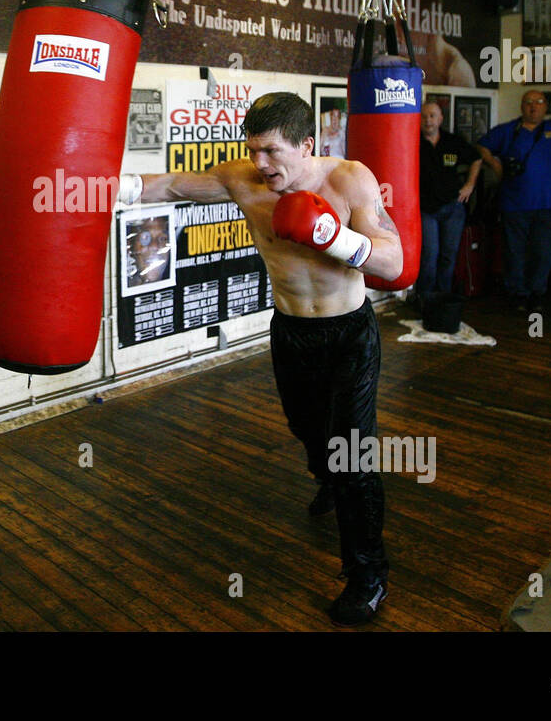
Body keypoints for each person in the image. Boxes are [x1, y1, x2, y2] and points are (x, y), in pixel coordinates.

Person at [122, 92, 403, 626]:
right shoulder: (244, 180)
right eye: (253, 150)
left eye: (272, 151)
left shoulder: (349, 179)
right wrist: (105, 186)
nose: (261, 164)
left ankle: (369, 576)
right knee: (305, 427)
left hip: (349, 336)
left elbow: (393, 260)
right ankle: (325, 472)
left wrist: (336, 238)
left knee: (354, 457)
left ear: (306, 144)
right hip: (291, 330)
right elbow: (170, 184)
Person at [476, 85, 551, 312]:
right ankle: (517, 294)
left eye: (539, 102)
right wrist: (495, 164)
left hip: (546, 204)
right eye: (529, 102)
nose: (533, 107)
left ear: (546, 107)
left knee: (542, 252)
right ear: (522, 106)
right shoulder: (508, 130)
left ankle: (536, 293)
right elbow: (482, 146)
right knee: (514, 251)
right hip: (514, 203)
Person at [417, 101, 481, 301]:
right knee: (429, 256)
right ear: (419, 119)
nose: (429, 120)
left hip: (453, 208)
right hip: (427, 209)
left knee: (448, 255)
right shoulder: (413, 142)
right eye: (425, 116)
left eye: (433, 116)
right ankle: (425, 299)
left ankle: (443, 299)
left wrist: (470, 185)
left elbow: (476, 159)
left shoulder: (452, 142)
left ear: (441, 119)